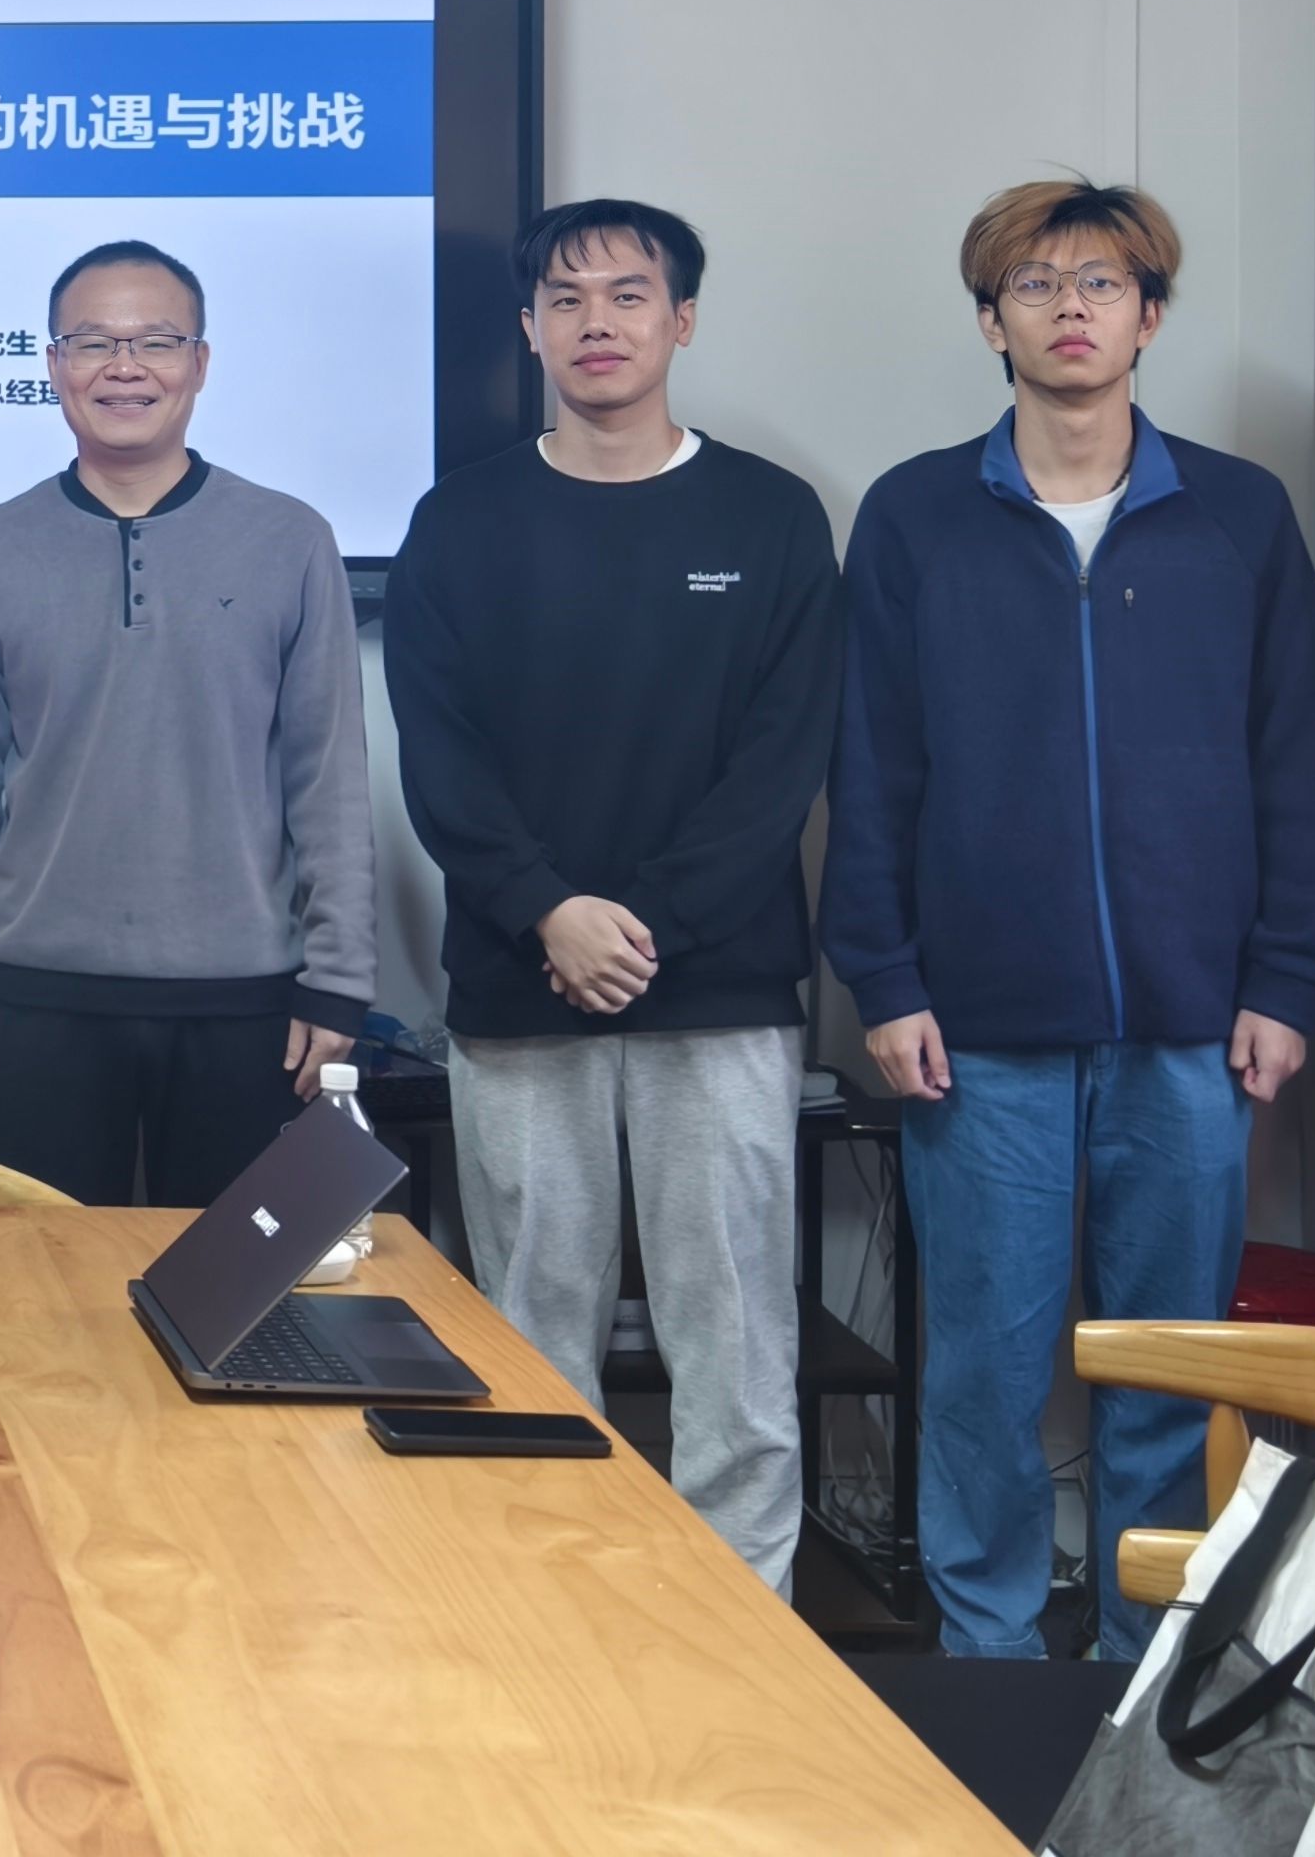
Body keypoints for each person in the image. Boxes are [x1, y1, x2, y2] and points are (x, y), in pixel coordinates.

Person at [824, 179, 1315, 1661]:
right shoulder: (918, 516)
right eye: (1037, 285)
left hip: (1191, 1027)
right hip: (975, 1030)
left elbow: (1302, 763)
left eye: (1103, 284)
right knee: (984, 1374)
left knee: (1165, 1376)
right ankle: (988, 1665)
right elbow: (870, 770)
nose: (1070, 308)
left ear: (1149, 319)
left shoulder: (1238, 515)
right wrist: (885, 980)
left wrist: (1287, 982)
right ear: (990, 322)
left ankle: (1141, 1669)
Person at [381, 199, 844, 1594]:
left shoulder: (769, 514)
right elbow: (439, 753)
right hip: (522, 987)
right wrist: (550, 914)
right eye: (566, 300)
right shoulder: (460, 518)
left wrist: (646, 929)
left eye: (629, 296)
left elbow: (785, 757)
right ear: (528, 328)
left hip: (721, 991)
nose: (598, 323)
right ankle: (551, 1617)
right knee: (531, 1333)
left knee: (736, 1335)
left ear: (680, 321)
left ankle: (743, 1633)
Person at [0, 242, 374, 1207]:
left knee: (233, 1287)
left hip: (248, 1004)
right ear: (54, 365)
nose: (125, 368)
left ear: (199, 363)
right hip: (34, 1000)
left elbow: (326, 779)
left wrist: (338, 979)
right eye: (93, 343)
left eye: (156, 342)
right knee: (39, 1287)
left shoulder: (291, 539)